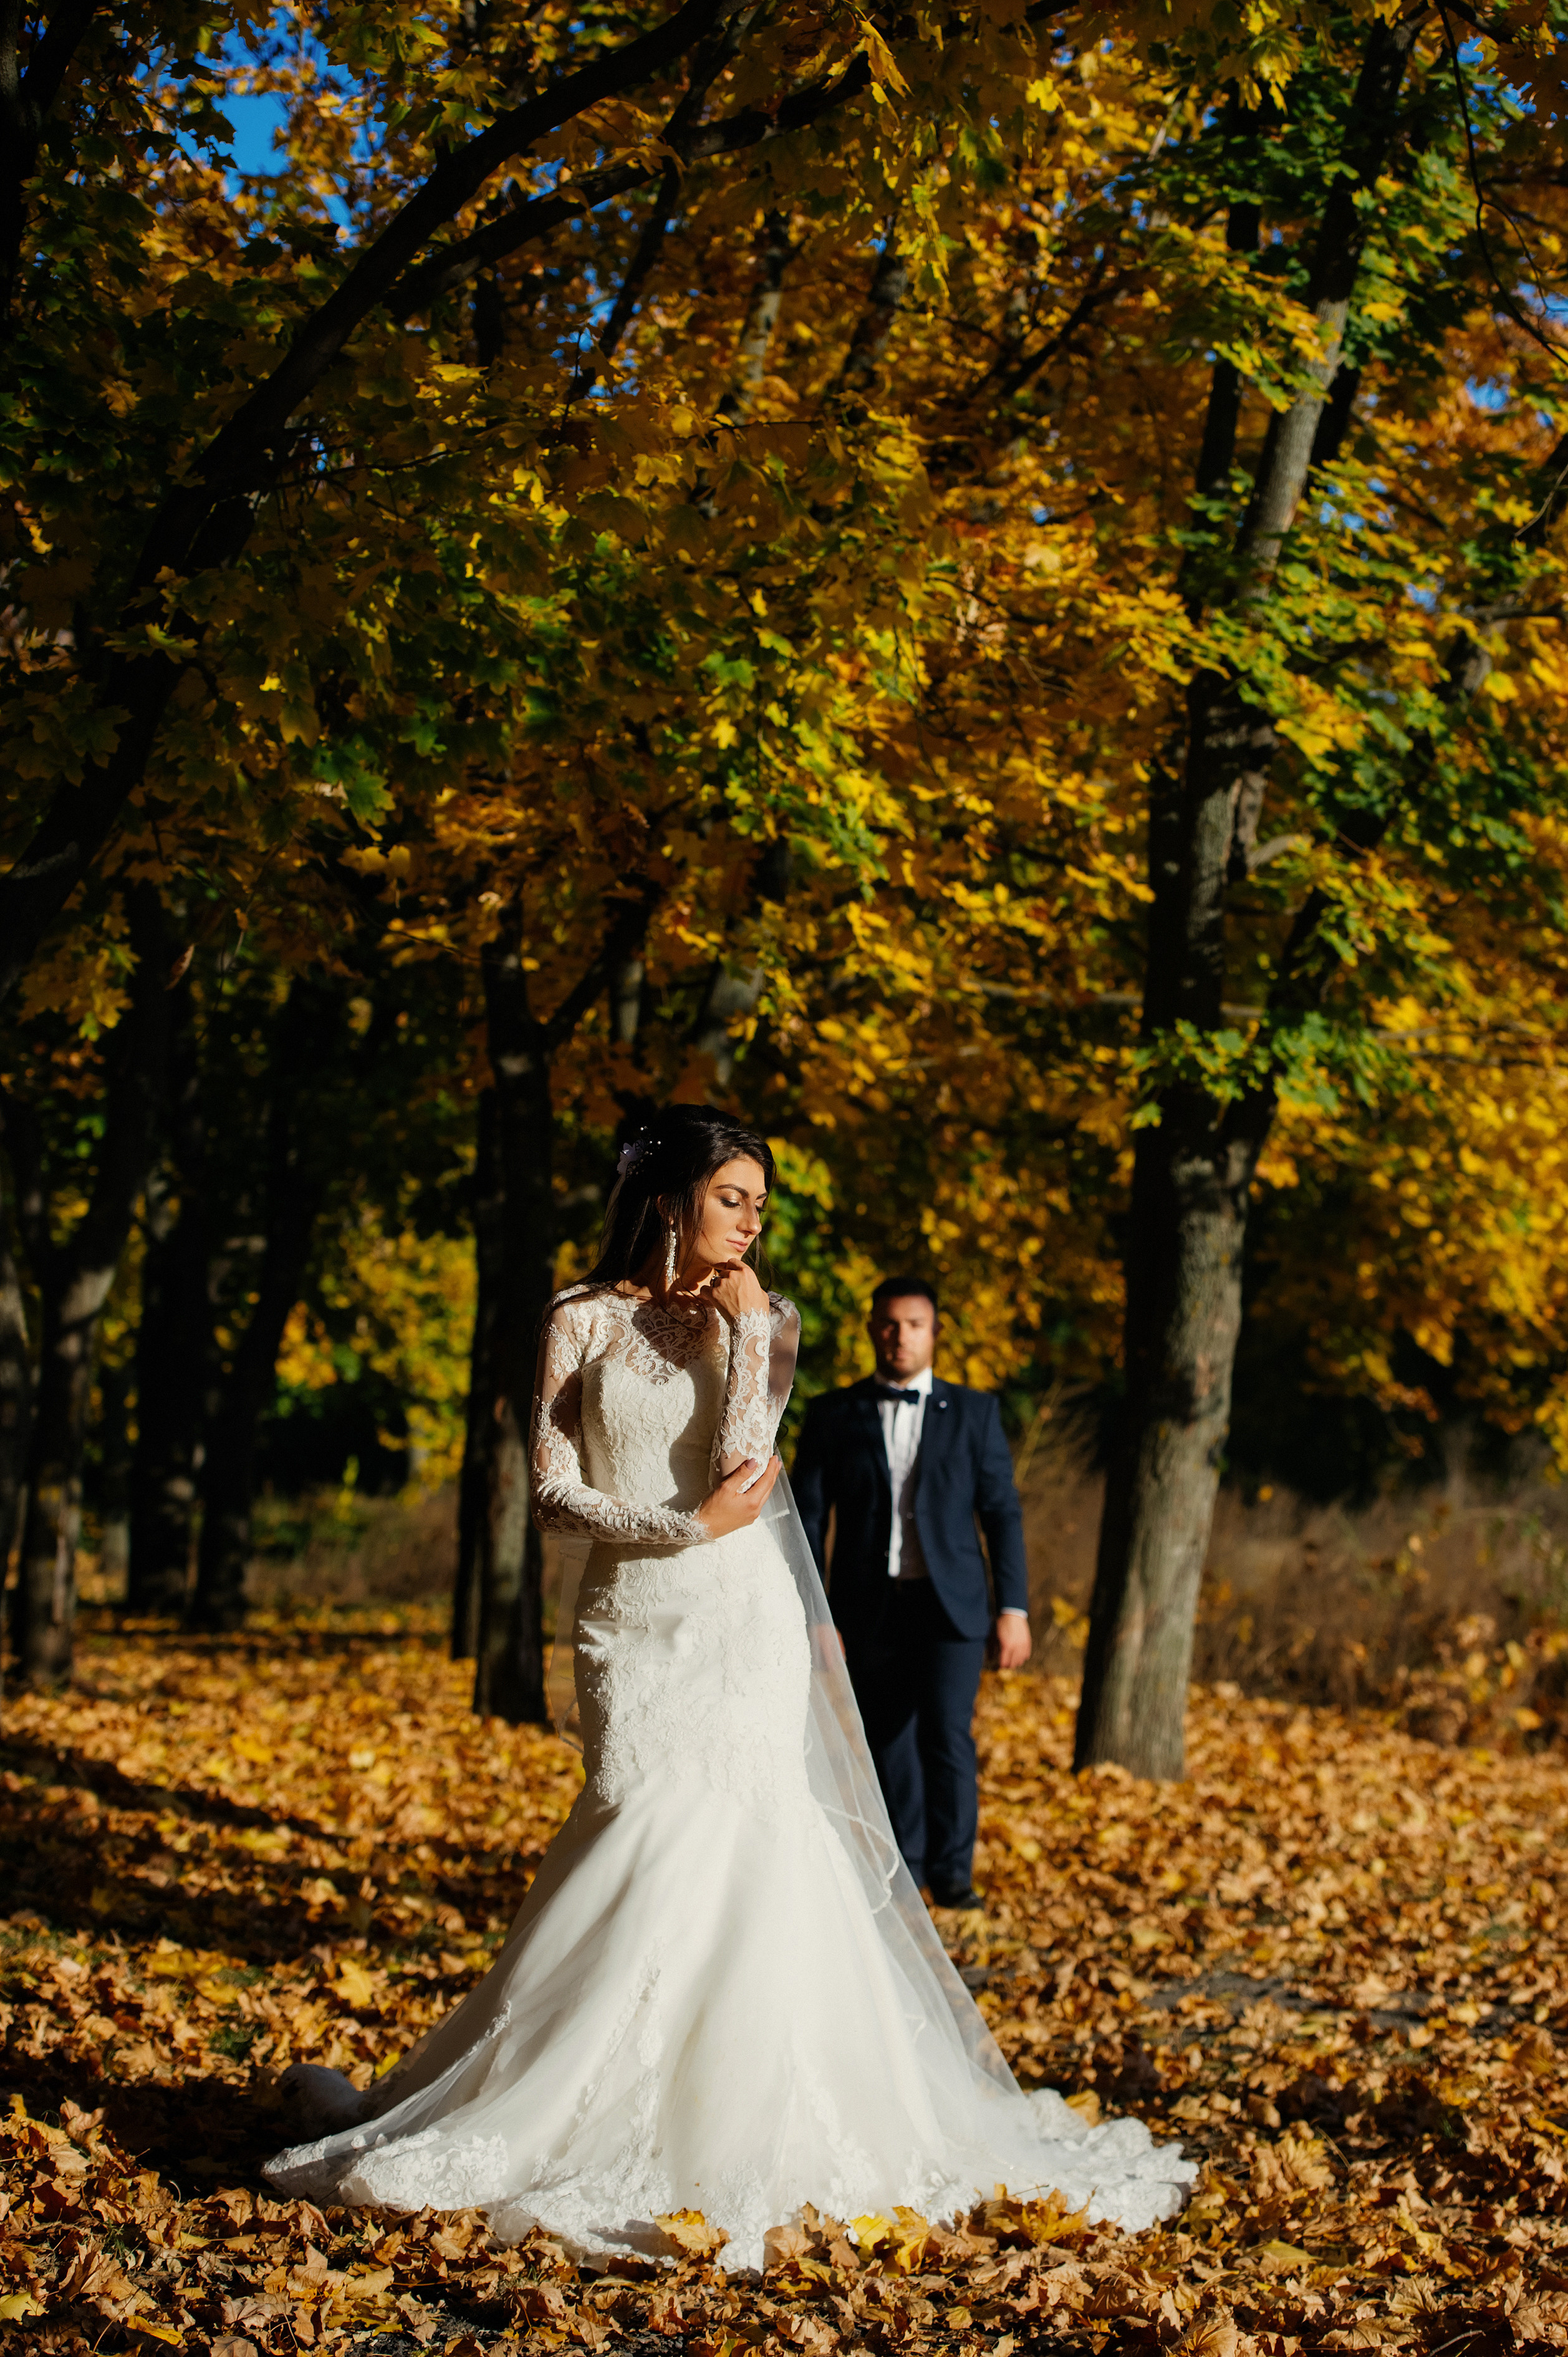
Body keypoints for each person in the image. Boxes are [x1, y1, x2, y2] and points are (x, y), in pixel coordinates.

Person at [265, 1107, 1190, 2267]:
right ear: (670, 1201)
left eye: (761, 1201)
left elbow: (746, 1476)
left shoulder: (768, 1320)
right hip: (634, 1621)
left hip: (742, 1617)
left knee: (756, 1842)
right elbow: (551, 1494)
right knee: (636, 1824)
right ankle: (556, 2093)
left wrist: (749, 1342)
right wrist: (673, 1527)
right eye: (734, 1197)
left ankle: (736, 2116)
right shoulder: (576, 1319)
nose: (753, 1218)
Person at [792, 1280, 1029, 1911]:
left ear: (934, 1332)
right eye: (890, 1325)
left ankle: (954, 1875)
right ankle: (904, 1867)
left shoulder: (976, 1413)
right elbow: (808, 1520)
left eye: (915, 1325)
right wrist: (816, 1613)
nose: (901, 1337)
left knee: (948, 1735)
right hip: (870, 1606)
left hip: (952, 1606)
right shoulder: (831, 1415)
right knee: (886, 1739)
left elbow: (1001, 1513)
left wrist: (1014, 1609)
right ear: (872, 1329)